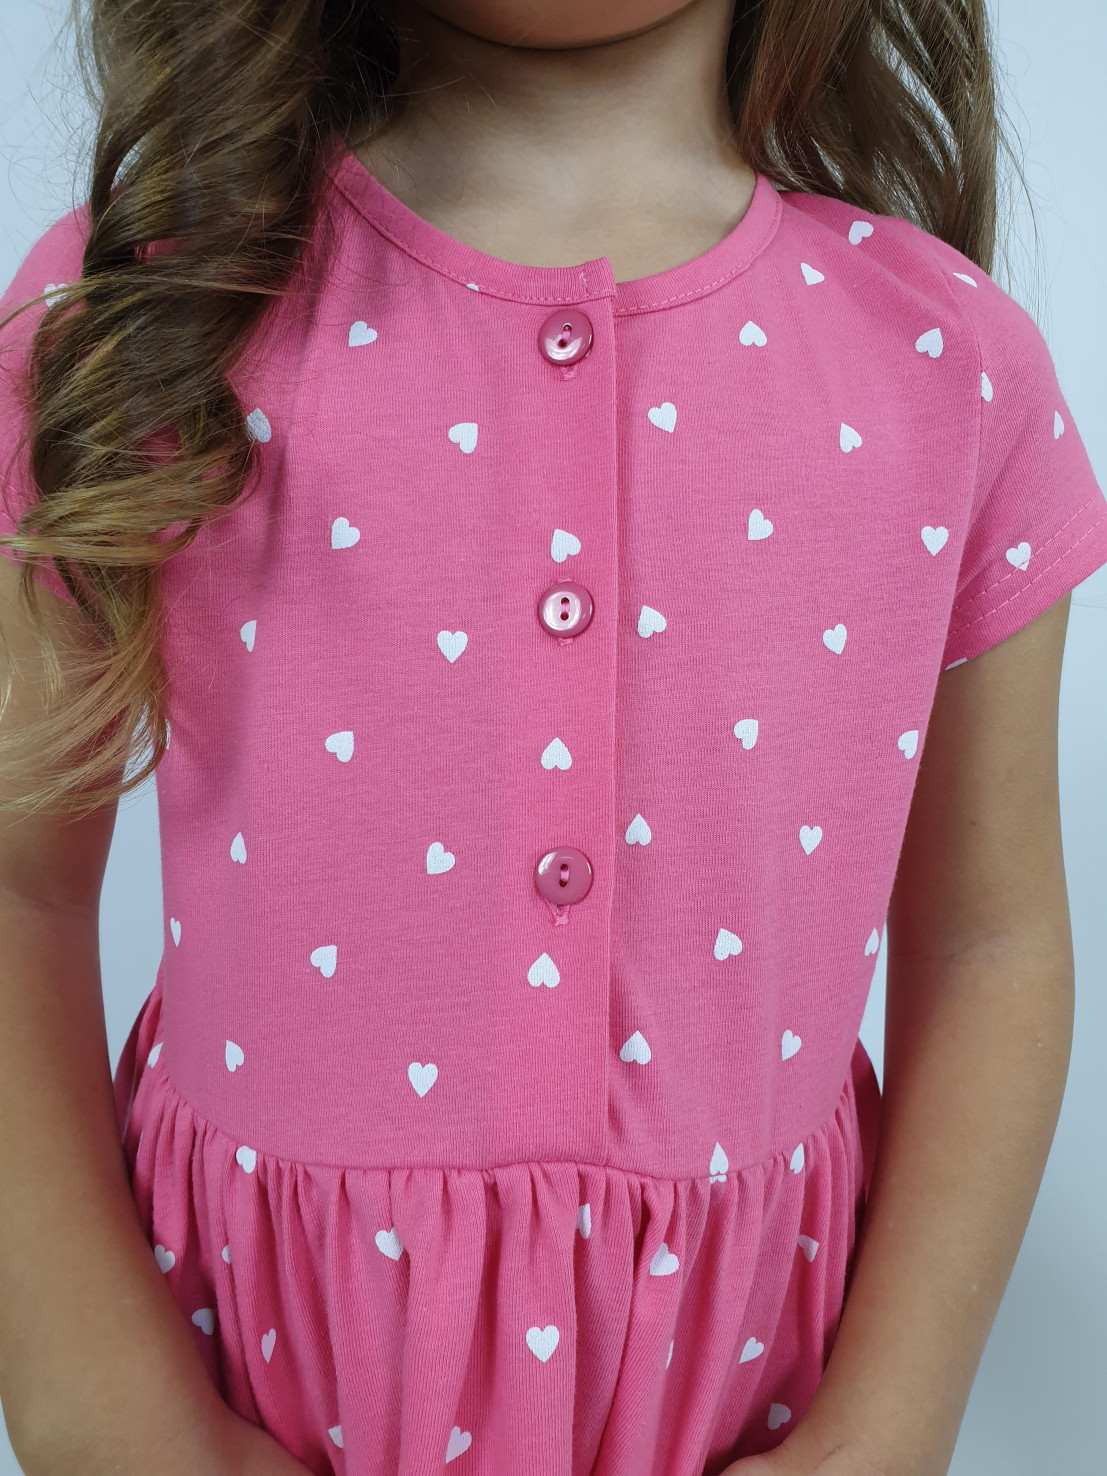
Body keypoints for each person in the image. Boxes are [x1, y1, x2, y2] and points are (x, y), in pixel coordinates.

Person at [1, 1, 1105, 1473]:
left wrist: (890, 1427)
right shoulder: (142, 316)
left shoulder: (946, 364)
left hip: (742, 1399)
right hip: (250, 1380)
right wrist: (97, 1400)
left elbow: (990, 944)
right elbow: (15, 885)